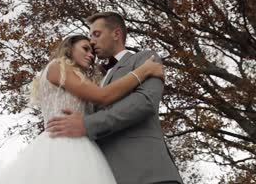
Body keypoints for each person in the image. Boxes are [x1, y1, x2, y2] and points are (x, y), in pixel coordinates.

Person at [0, 34, 164, 184]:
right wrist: (144, 71)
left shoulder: (78, 77)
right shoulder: (58, 67)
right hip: (61, 145)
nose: (91, 55)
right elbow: (103, 96)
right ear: (69, 48)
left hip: (83, 144)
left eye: (92, 52)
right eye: (85, 49)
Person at [47, 12, 184, 184]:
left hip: (147, 173)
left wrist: (87, 124)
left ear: (116, 34)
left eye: (96, 34)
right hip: (104, 174)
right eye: (89, 37)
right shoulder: (94, 80)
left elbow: (145, 103)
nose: (92, 41)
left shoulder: (145, 59)